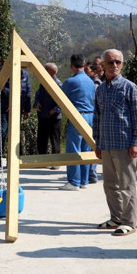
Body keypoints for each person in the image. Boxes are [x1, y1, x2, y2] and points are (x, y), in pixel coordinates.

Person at [93, 49, 137, 236]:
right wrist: (97, 143)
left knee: (127, 185)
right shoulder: (100, 89)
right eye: (110, 62)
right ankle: (115, 219)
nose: (114, 65)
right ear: (103, 65)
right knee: (109, 185)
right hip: (106, 145)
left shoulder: (129, 87)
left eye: (118, 62)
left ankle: (128, 222)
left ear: (122, 64)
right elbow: (97, 118)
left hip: (125, 145)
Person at [59, 54, 96, 190]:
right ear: (84, 63)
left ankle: (74, 182)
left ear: (71, 65)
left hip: (77, 116)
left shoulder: (70, 82)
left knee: (74, 148)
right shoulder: (91, 81)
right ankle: (84, 181)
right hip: (90, 116)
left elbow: (60, 98)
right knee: (86, 149)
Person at [0, 65, 32, 169]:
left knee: (15, 134)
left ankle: (12, 161)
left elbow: (27, 91)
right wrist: (12, 96)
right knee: (2, 133)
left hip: (18, 108)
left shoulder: (24, 74)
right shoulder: (4, 71)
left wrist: (26, 109)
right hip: (5, 108)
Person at [33, 62, 62, 166]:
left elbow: (63, 101)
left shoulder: (58, 84)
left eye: (46, 70)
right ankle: (42, 161)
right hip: (43, 115)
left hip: (54, 117)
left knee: (55, 140)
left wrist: (55, 110)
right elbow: (38, 94)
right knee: (41, 139)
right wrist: (37, 103)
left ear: (53, 72)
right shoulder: (43, 83)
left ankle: (55, 162)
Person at [85, 57, 102, 183]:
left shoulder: (95, 84)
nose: (84, 73)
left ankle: (92, 174)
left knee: (92, 145)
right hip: (92, 116)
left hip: (94, 117)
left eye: (87, 71)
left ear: (93, 71)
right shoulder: (90, 82)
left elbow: (95, 102)